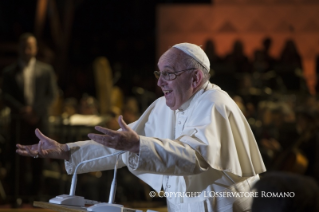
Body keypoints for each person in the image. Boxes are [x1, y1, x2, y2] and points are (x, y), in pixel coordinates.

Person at [16, 43, 266, 212]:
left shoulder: (215, 103)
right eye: (159, 74)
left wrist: (138, 145)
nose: (159, 82)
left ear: (195, 78)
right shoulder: (163, 106)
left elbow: (196, 157)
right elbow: (120, 144)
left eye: (168, 74)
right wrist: (68, 151)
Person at [2, 33, 58, 201]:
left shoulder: (46, 70)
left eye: (30, 47)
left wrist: (35, 111)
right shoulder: (9, 72)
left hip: (39, 123)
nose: (27, 50)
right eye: (24, 47)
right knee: (18, 162)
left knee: (39, 161)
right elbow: (5, 96)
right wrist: (22, 111)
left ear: (35, 49)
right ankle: (18, 197)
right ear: (19, 49)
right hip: (18, 123)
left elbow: (52, 94)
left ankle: (36, 197)